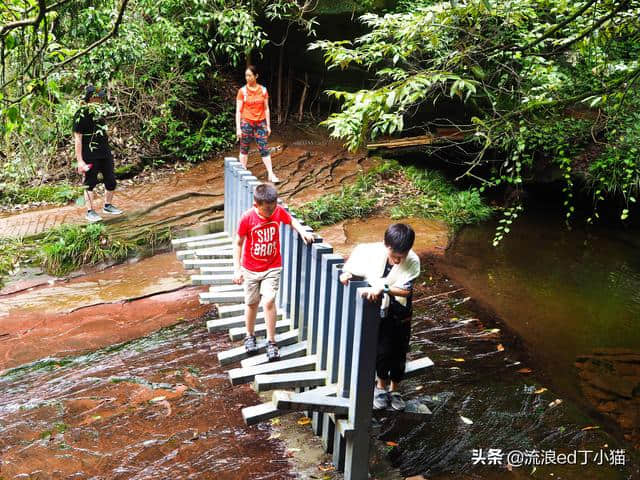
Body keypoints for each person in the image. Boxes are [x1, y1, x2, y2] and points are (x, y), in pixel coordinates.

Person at [340, 223, 420, 411]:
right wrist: (347, 272)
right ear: (386, 246)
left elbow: (405, 291)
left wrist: (383, 288)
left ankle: (395, 388)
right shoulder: (373, 252)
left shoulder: (413, 260)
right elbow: (356, 260)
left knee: (400, 349)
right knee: (383, 348)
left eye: (403, 256)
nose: (399, 261)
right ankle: (381, 386)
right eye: (395, 256)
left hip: (400, 309)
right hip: (380, 308)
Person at [232, 183, 314, 361]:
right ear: (256, 205)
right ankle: (250, 335)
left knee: (269, 300)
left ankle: (271, 341)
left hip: (272, 266)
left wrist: (302, 231)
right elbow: (238, 243)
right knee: (252, 302)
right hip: (250, 268)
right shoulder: (247, 218)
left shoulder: (277, 211)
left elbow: (291, 220)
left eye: (273, 208)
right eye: (267, 210)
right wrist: (237, 269)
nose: (271, 212)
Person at [73, 84, 123, 223]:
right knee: (90, 182)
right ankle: (90, 211)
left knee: (111, 180)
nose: (98, 100)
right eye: (96, 98)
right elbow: (78, 138)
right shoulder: (81, 114)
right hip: (89, 153)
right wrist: (80, 161)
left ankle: (107, 205)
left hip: (104, 151)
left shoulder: (101, 113)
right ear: (89, 99)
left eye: (100, 98)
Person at [235, 65, 280, 183]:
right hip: (246, 123)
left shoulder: (263, 90)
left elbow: (266, 109)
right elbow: (238, 111)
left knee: (264, 148)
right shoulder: (242, 91)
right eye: (246, 75)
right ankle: (243, 172)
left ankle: (271, 174)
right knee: (244, 147)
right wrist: (238, 128)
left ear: (256, 76)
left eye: (250, 75)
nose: (247, 78)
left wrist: (268, 125)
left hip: (260, 123)